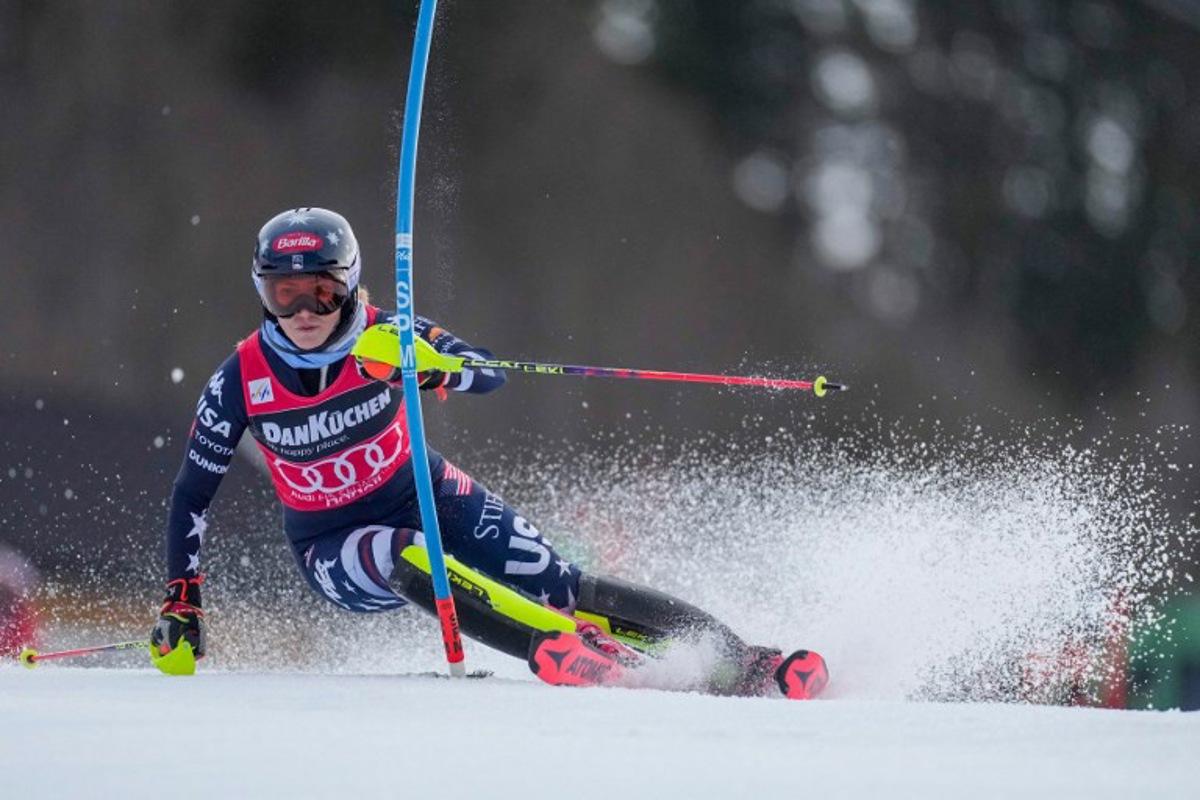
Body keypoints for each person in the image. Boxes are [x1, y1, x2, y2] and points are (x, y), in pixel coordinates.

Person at [150, 207, 816, 697]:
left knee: (558, 583)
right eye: (284, 292)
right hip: (332, 542)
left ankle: (745, 663)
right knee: (404, 551)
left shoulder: (389, 334)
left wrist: (430, 366)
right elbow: (192, 494)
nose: (303, 310)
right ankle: (552, 647)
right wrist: (183, 599)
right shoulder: (239, 379)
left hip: (426, 489)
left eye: (320, 289)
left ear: (348, 283)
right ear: (262, 292)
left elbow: (488, 371)